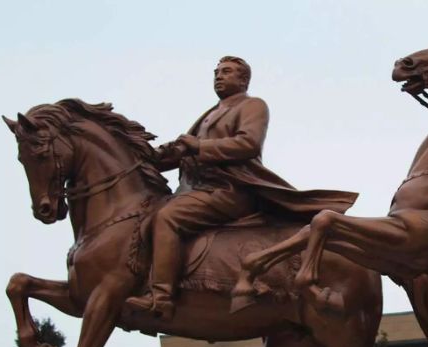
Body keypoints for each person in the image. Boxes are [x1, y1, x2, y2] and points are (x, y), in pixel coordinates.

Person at [127, 56, 357, 319]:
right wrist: (146, 154)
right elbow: (180, 153)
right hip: (196, 190)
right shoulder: (209, 113)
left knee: (167, 218)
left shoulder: (252, 106)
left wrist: (198, 146)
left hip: (229, 190)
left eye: (226, 72)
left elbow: (248, 144)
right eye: (216, 72)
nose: (219, 76)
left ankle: (162, 296)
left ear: (243, 79)